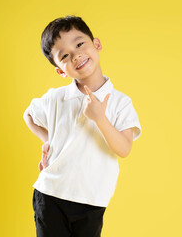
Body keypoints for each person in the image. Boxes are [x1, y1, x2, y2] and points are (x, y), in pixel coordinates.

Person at [23, 15, 142, 237]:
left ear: (96, 44)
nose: (76, 55)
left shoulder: (120, 101)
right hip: (50, 194)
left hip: (91, 199)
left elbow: (124, 149)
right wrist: (48, 139)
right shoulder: (56, 98)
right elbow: (28, 114)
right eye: (65, 56)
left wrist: (99, 118)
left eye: (79, 44)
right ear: (60, 70)